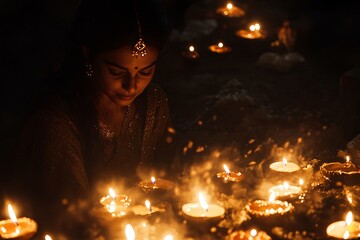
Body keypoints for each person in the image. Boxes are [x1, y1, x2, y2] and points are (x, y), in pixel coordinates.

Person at [13, 0, 175, 236]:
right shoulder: (58, 122)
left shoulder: (154, 104)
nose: (131, 86)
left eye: (145, 71)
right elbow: (68, 217)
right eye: (117, 72)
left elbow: (165, 184)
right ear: (89, 56)